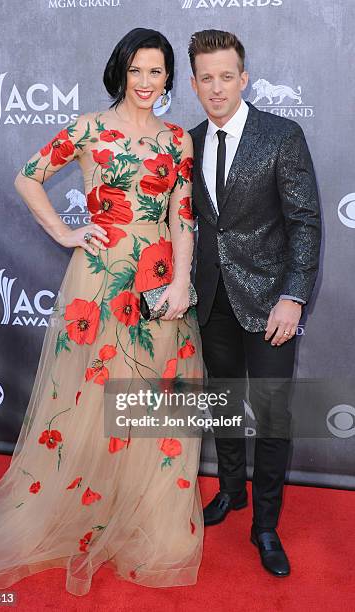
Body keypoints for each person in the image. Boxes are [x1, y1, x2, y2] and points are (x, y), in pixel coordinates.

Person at [0, 28, 204, 596]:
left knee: (153, 398)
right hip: (97, 281)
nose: (147, 82)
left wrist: (181, 282)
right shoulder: (88, 129)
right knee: (90, 395)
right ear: (120, 70)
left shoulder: (178, 141)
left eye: (157, 71)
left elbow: (182, 217)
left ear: (168, 77)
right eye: (137, 70)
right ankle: (80, 509)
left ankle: (146, 519)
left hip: (158, 282)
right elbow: (28, 178)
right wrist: (67, 233)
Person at [188, 30, 321, 577]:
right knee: (222, 402)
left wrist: (293, 297)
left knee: (271, 415)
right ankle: (231, 492)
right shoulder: (188, 140)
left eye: (226, 76)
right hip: (212, 299)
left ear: (243, 79)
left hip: (271, 304)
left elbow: (305, 223)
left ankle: (265, 523)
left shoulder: (281, 135)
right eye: (205, 78)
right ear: (193, 84)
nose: (216, 88)